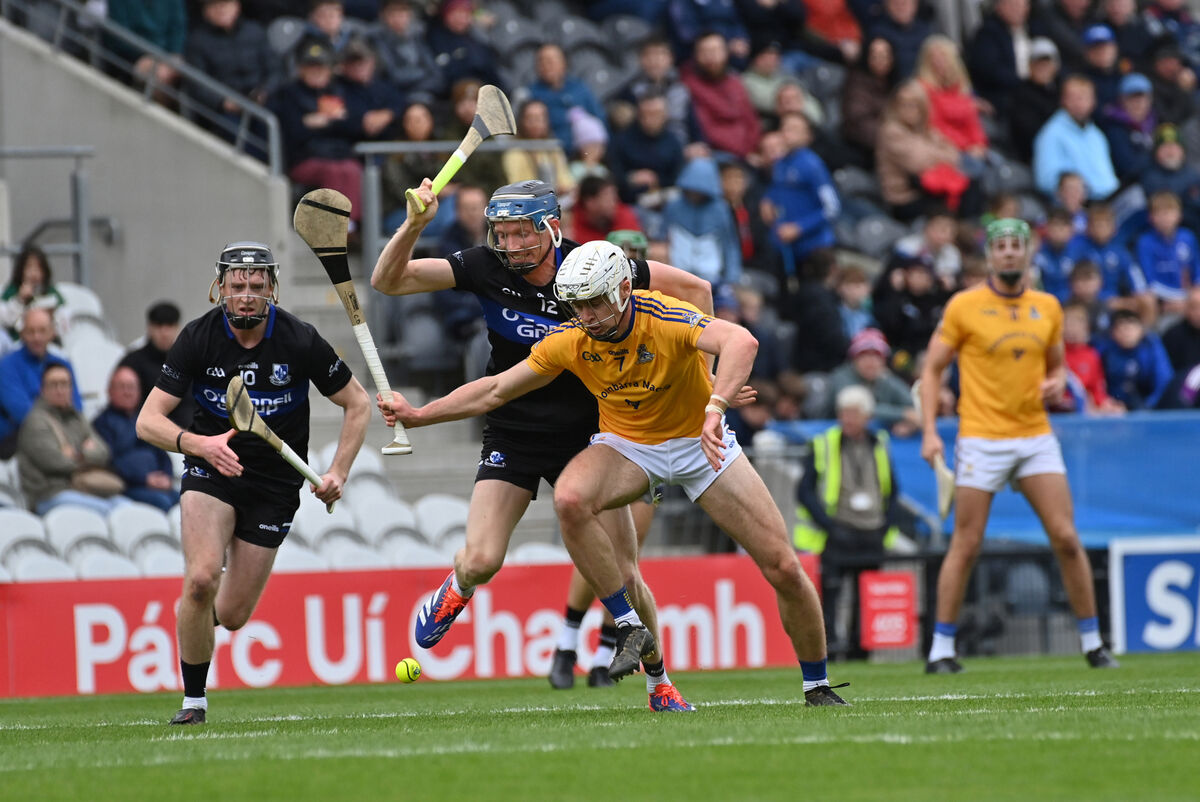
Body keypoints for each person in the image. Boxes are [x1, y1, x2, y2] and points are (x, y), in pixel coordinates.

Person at [382, 238, 848, 707]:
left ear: (624, 288)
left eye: (595, 303)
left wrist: (715, 405)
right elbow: (496, 389)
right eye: (577, 306)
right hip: (628, 448)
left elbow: (741, 340)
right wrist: (420, 414)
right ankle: (628, 627)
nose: (586, 316)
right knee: (570, 499)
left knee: (784, 567)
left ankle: (817, 685)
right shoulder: (572, 340)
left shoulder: (662, 315)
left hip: (698, 444)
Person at [369, 179, 715, 709]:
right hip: (513, 428)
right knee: (482, 559)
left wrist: (702, 386)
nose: (507, 246)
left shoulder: (594, 266)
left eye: (517, 235)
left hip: (594, 435)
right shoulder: (485, 266)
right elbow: (389, 281)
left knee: (626, 574)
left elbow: (696, 292)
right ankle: (455, 588)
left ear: (551, 227)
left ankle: (660, 684)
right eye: (500, 234)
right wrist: (415, 223)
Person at [135, 241, 370, 724]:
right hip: (212, 470)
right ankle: (194, 701)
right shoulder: (198, 337)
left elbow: (358, 404)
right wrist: (198, 445)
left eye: (256, 286)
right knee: (200, 580)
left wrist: (338, 472)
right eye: (237, 286)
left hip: (276, 485)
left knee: (235, 615)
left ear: (272, 290)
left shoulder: (299, 339)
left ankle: (194, 622)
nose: (246, 295)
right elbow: (147, 421)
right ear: (220, 287)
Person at [917, 218, 1120, 673]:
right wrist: (930, 431)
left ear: (1028, 254)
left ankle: (1093, 643)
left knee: (1067, 538)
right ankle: (941, 650)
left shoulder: (1048, 307)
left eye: (1016, 246)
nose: (1009, 252)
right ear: (989, 256)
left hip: (1033, 436)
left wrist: (1055, 385)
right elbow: (931, 371)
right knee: (966, 544)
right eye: (1001, 246)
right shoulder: (964, 306)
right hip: (981, 437)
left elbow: (1057, 369)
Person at [795, 385, 903, 659]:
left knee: (866, 597)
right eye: (844, 413)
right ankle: (830, 650)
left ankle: (861, 650)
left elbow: (892, 489)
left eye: (854, 413)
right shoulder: (824, 443)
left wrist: (885, 526)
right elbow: (804, 491)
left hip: (870, 533)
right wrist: (830, 526)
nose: (848, 419)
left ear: (867, 416)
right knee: (830, 595)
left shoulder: (879, 443)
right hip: (837, 534)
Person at [17, 363, 126, 516]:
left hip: (86, 490)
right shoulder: (35, 421)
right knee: (108, 511)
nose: (60, 390)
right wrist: (86, 452)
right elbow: (55, 462)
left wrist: (76, 454)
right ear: (43, 389)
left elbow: (103, 452)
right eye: (54, 385)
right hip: (49, 495)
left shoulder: (77, 418)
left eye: (65, 384)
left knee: (126, 508)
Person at [92, 365, 181, 511]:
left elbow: (162, 454)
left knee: (184, 500)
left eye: (131, 387)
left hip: (157, 484)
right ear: (110, 391)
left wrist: (166, 477)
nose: (128, 392)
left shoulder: (145, 420)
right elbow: (109, 463)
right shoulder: (102, 424)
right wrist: (144, 479)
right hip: (127, 486)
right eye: (122, 387)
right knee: (162, 502)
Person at [0, 308, 81, 458]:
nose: (37, 337)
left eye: (42, 331)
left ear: (52, 333)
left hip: (64, 436)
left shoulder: (62, 364)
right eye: (31, 331)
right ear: (22, 334)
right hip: (19, 439)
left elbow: (76, 407)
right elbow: (24, 415)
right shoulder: (7, 366)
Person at [1033, 75, 1119, 201]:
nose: (1079, 103)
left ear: (1093, 101)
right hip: (1077, 207)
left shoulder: (1096, 135)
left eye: (1084, 98)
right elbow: (1046, 180)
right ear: (1063, 100)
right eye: (1073, 98)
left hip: (1108, 203)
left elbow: (1109, 179)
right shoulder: (1051, 133)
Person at [822, 328, 919, 436]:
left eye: (876, 355)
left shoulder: (885, 378)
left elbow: (913, 406)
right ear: (854, 359)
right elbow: (858, 410)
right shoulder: (841, 377)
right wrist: (903, 414)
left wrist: (911, 423)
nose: (870, 361)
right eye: (864, 355)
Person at [119, 301, 195, 428]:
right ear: (149, 327)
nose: (164, 332)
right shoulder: (133, 362)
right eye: (159, 325)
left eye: (169, 325)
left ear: (177, 328)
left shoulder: (190, 359)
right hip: (149, 435)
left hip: (190, 434)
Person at [1136, 190, 1200, 318]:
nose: (1165, 218)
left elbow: (1197, 268)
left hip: (1186, 294)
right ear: (1151, 217)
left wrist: (1192, 292)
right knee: (1147, 300)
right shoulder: (1145, 242)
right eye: (1160, 214)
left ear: (1179, 215)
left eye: (1169, 213)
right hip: (1161, 296)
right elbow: (1148, 278)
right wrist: (1174, 298)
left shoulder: (1188, 237)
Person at [1095, 309, 1175, 410]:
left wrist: (1143, 408)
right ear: (1113, 333)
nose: (1126, 333)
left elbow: (1163, 385)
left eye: (1130, 328)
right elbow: (1095, 383)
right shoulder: (1103, 350)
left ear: (1141, 330)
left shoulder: (1151, 348)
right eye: (1121, 328)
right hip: (1111, 409)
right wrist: (1105, 402)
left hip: (1147, 410)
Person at [0, 244, 65, 341]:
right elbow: (5, 320)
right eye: (29, 268)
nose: (34, 273)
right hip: (18, 343)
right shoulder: (11, 291)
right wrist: (19, 300)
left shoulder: (51, 293)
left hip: (48, 345)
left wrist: (52, 315)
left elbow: (65, 325)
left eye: (38, 268)